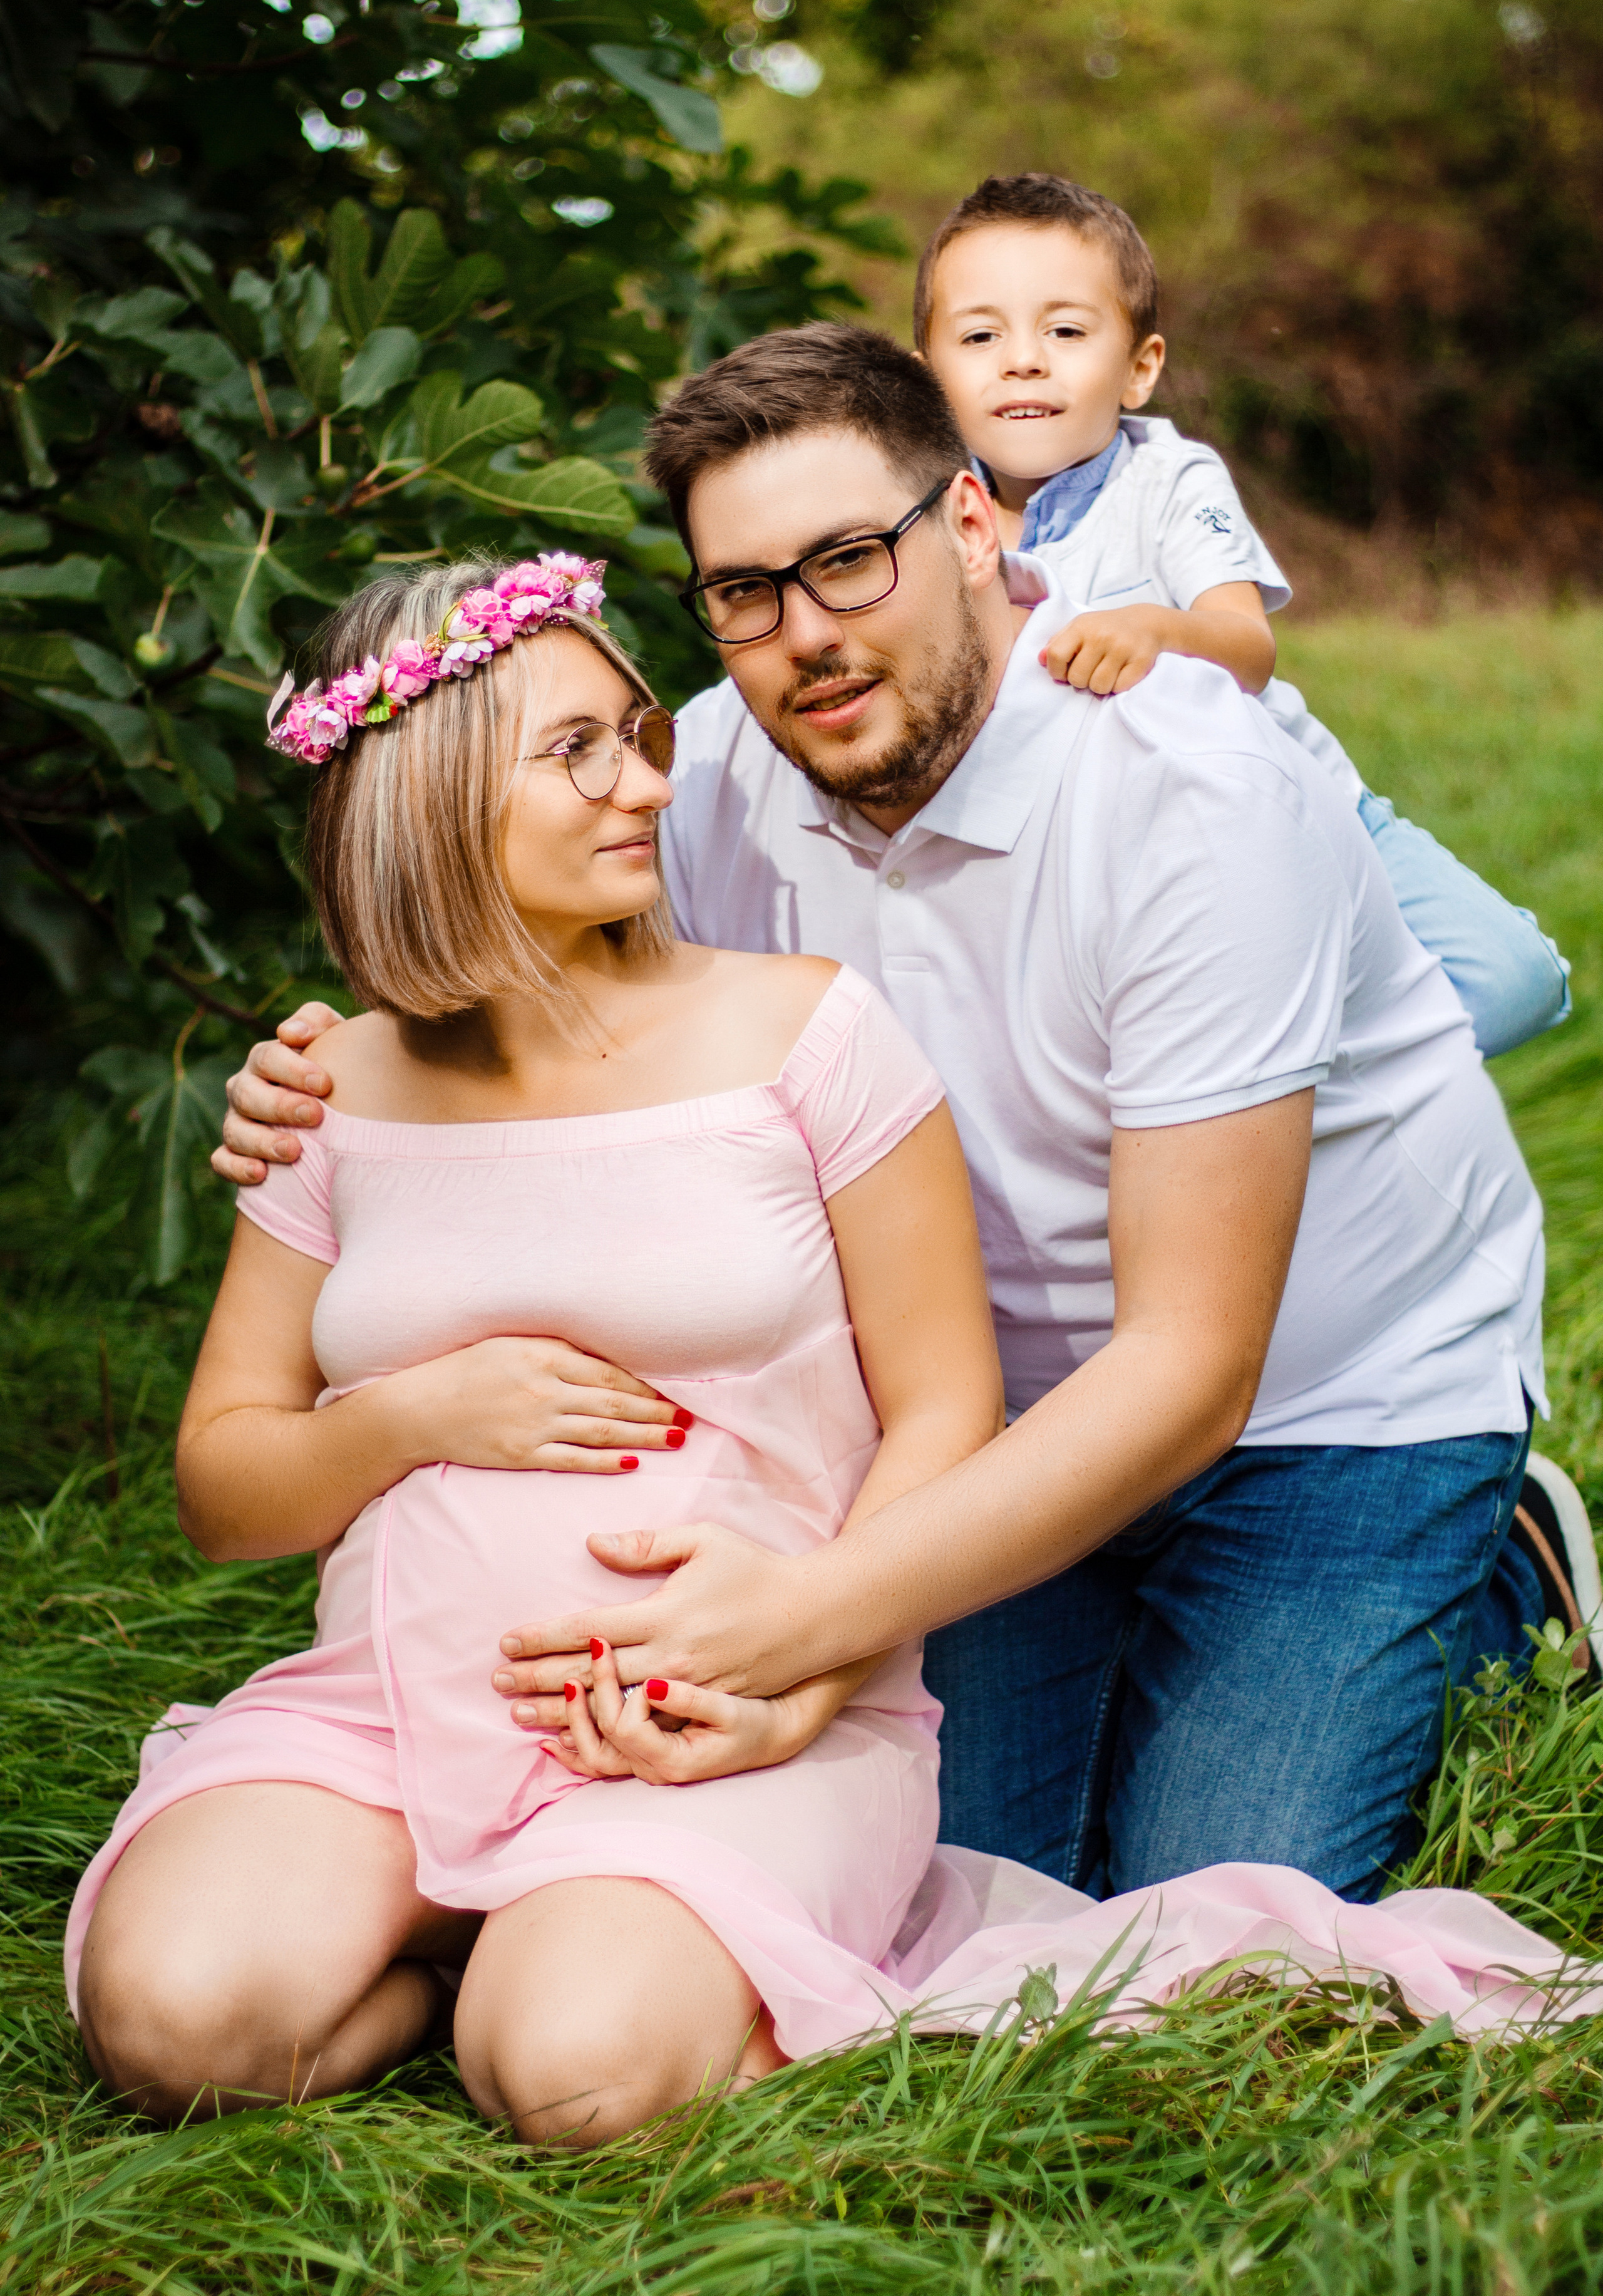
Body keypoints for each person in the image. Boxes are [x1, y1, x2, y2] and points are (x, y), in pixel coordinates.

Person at [76, 555, 1603, 2136]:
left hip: (744, 1701)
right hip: (392, 1705)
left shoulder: (803, 1029)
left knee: (586, 2077)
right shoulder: (333, 1087)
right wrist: (410, 1416)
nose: (647, 785)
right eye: (577, 752)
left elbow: (944, 1402)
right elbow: (223, 1482)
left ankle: (569, 1961)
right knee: (172, 2023)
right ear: (434, 799)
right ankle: (451, 1940)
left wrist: (808, 1670)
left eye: (639, 733)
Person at [214, 328, 1597, 1916]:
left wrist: (811, 1623)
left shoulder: (1188, 795)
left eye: (850, 561)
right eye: (745, 593)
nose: (804, 635)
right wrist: (325, 1068)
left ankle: (1502, 1571)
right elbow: (506, 952)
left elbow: (1189, 1363)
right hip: (962, 1423)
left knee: (1199, 1915)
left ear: (970, 526)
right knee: (948, 1890)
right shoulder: (704, 778)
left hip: (1322, 1405)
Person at [914, 171, 1571, 1062]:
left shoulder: (1170, 479)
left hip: (1302, 812)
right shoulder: (927, 530)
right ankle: (1228, 1117)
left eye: (1065, 331)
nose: (1023, 358)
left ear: (1139, 369)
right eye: (982, 335)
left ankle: (1288, 1106)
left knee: (1515, 978)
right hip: (1114, 867)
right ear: (926, 382)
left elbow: (1245, 646)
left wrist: (1153, 627)